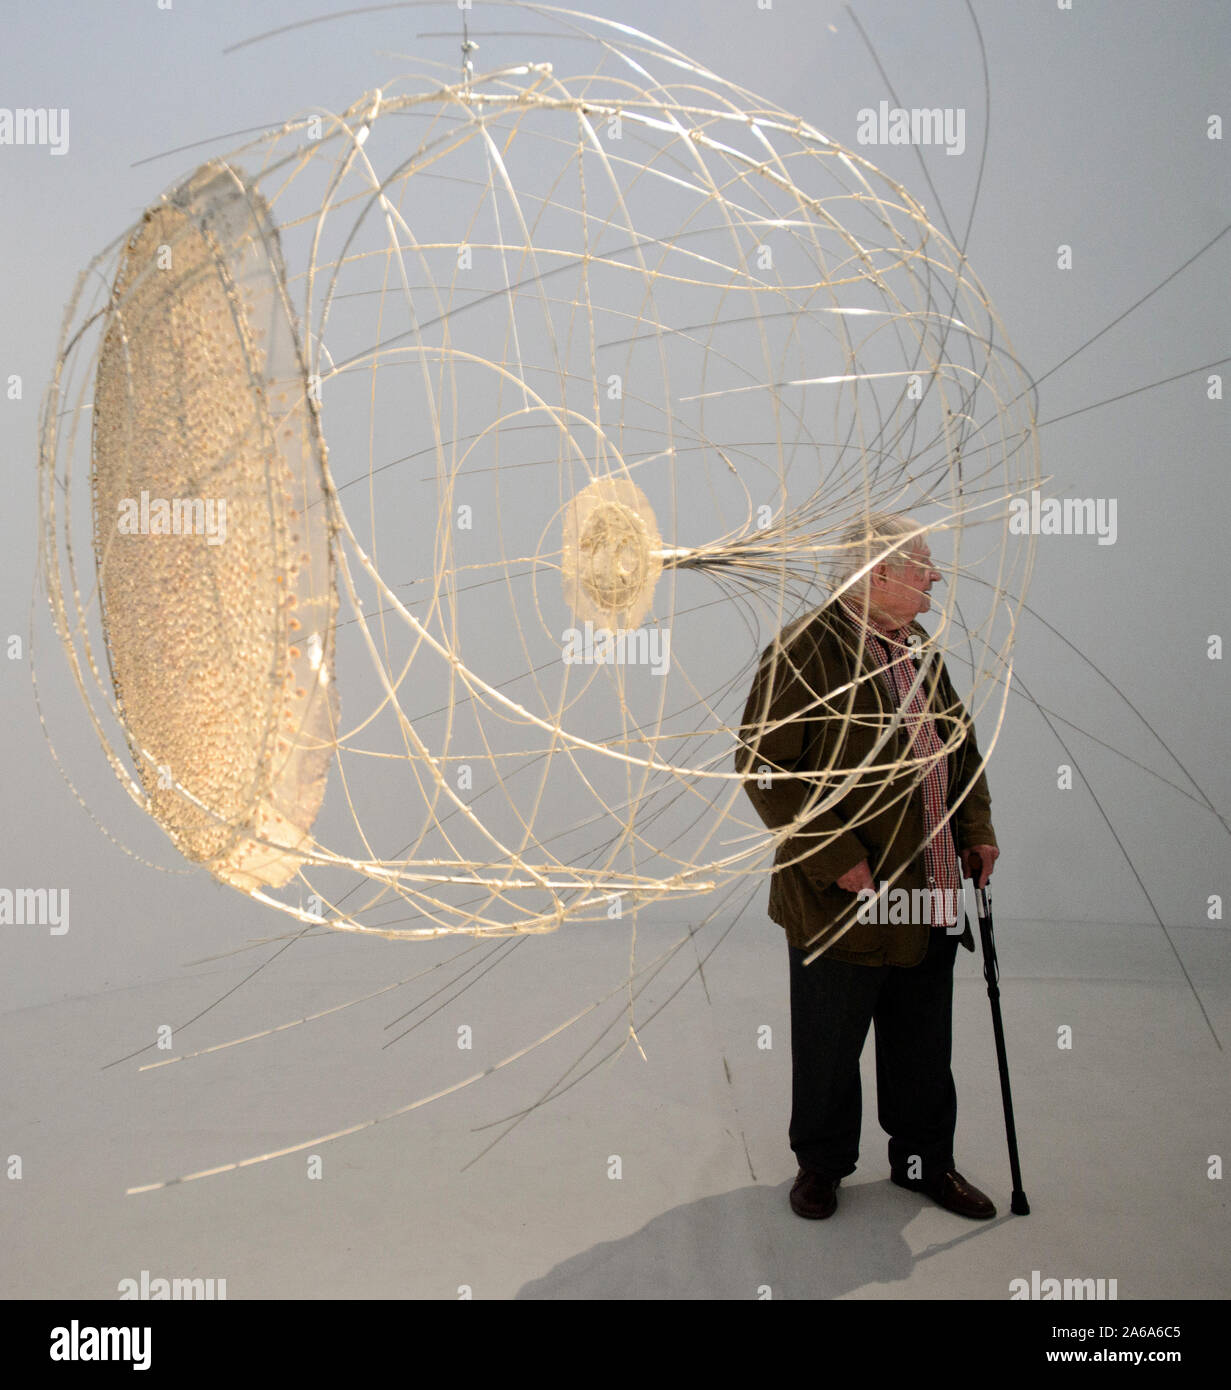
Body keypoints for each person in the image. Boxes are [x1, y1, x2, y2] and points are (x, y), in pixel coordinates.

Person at [734, 513, 1001, 1221]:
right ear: (874, 575)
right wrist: (837, 857)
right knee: (828, 1046)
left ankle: (923, 1163)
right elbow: (762, 767)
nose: (934, 578)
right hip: (843, 899)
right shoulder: (804, 651)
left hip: (930, 890)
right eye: (920, 566)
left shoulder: (919, 653)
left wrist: (976, 830)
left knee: (921, 1044)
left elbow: (960, 755)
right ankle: (820, 1167)